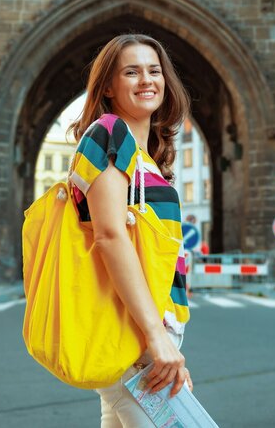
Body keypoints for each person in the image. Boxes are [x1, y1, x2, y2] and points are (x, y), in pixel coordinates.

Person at [65, 34, 192, 425]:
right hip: (134, 332)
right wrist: (155, 338)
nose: (146, 80)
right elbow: (109, 235)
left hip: (146, 329)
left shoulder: (146, 159)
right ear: (108, 86)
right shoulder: (109, 133)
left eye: (154, 70)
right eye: (131, 72)